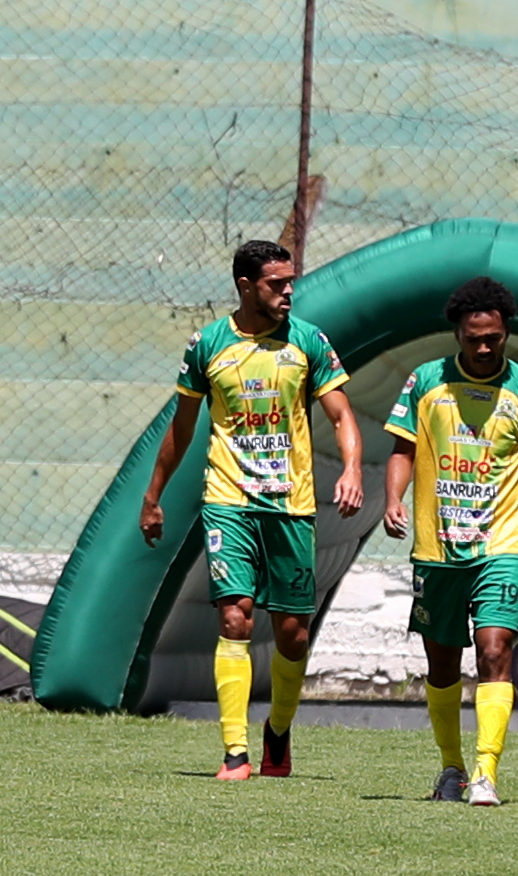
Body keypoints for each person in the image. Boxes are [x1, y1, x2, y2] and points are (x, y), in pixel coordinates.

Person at [140, 239, 364, 781]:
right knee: (235, 614)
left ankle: (278, 731)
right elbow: (183, 427)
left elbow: (341, 415)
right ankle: (234, 752)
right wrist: (154, 496)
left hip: (291, 504)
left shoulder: (308, 342)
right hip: (229, 500)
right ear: (245, 286)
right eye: (276, 284)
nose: (289, 292)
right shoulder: (209, 345)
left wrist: (355, 468)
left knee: (292, 632)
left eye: (291, 282)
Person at [383, 276, 518, 807]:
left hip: (502, 542)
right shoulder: (424, 382)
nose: (484, 347)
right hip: (437, 548)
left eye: (493, 338)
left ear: (507, 332)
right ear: (457, 335)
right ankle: (451, 767)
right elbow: (400, 449)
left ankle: (486, 773)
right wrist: (393, 499)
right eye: (473, 339)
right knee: (442, 664)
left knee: (495, 649)